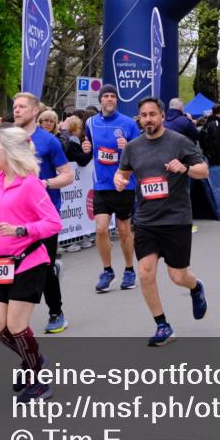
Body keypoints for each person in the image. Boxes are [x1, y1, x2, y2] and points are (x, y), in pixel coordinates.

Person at [115, 97, 210, 345]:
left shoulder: (179, 142)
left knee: (178, 276)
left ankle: (195, 286)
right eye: (143, 115)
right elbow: (122, 173)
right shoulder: (132, 147)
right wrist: (119, 180)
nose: (148, 119)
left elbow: (204, 170)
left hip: (175, 219)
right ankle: (162, 325)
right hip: (146, 220)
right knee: (145, 273)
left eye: (152, 114)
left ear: (162, 115)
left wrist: (185, 169)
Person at [0, 127, 64, 402]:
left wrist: (21, 231)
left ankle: (38, 381)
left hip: (30, 261)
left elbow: (54, 223)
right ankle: (35, 361)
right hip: (1, 263)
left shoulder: (30, 183)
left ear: (8, 152)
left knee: (17, 326)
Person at [11, 92, 73, 334]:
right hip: (15, 214)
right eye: (15, 106)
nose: (16, 110)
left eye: (22, 107)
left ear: (35, 111)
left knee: (43, 266)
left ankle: (56, 312)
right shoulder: (8, 140)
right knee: (11, 264)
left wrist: (45, 184)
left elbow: (67, 175)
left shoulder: (48, 141)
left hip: (44, 216)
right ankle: (12, 315)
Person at [84, 85, 141, 293]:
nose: (109, 99)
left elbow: (139, 153)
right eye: (105, 96)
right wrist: (85, 148)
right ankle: (107, 271)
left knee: (124, 230)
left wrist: (127, 148)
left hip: (124, 184)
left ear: (117, 100)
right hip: (101, 184)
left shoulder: (128, 123)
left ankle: (129, 269)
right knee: (100, 229)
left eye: (112, 96)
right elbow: (87, 148)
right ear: (100, 100)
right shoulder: (90, 122)